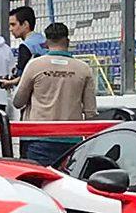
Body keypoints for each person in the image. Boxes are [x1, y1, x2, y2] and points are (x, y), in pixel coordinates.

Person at [12, 22, 97, 165]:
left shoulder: (35, 65)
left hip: (37, 137)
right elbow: (90, 112)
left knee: (36, 184)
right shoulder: (84, 69)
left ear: (46, 43)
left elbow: (18, 101)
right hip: (71, 139)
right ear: (68, 41)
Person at [0, 6, 48, 89]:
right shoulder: (44, 40)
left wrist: (9, 82)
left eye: (13, 25)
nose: (10, 29)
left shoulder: (26, 46)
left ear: (25, 24)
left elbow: (23, 78)